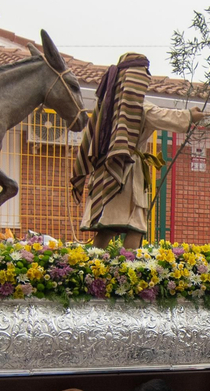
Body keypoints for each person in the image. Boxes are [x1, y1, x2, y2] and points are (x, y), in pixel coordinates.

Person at [71, 52, 201, 249]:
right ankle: (129, 270)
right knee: (134, 225)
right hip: (128, 174)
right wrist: (189, 115)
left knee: (106, 225)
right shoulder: (138, 107)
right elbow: (162, 115)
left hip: (105, 175)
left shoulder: (105, 106)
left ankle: (94, 268)